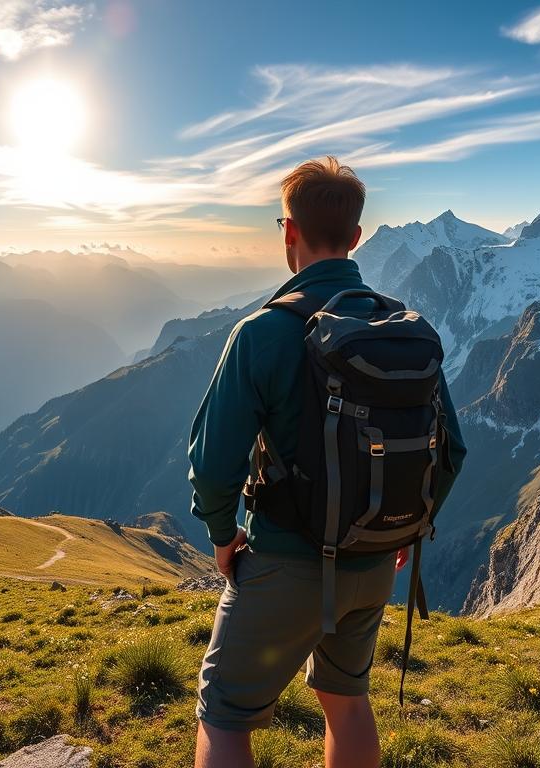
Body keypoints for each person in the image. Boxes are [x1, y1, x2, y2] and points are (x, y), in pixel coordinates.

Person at [188, 157, 466, 768]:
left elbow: (212, 462)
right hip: (374, 561)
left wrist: (222, 533)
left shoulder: (262, 333)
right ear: (357, 237)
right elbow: (453, 448)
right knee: (345, 697)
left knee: (225, 711)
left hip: (288, 562)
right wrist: (403, 525)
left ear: (288, 231)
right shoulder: (401, 329)